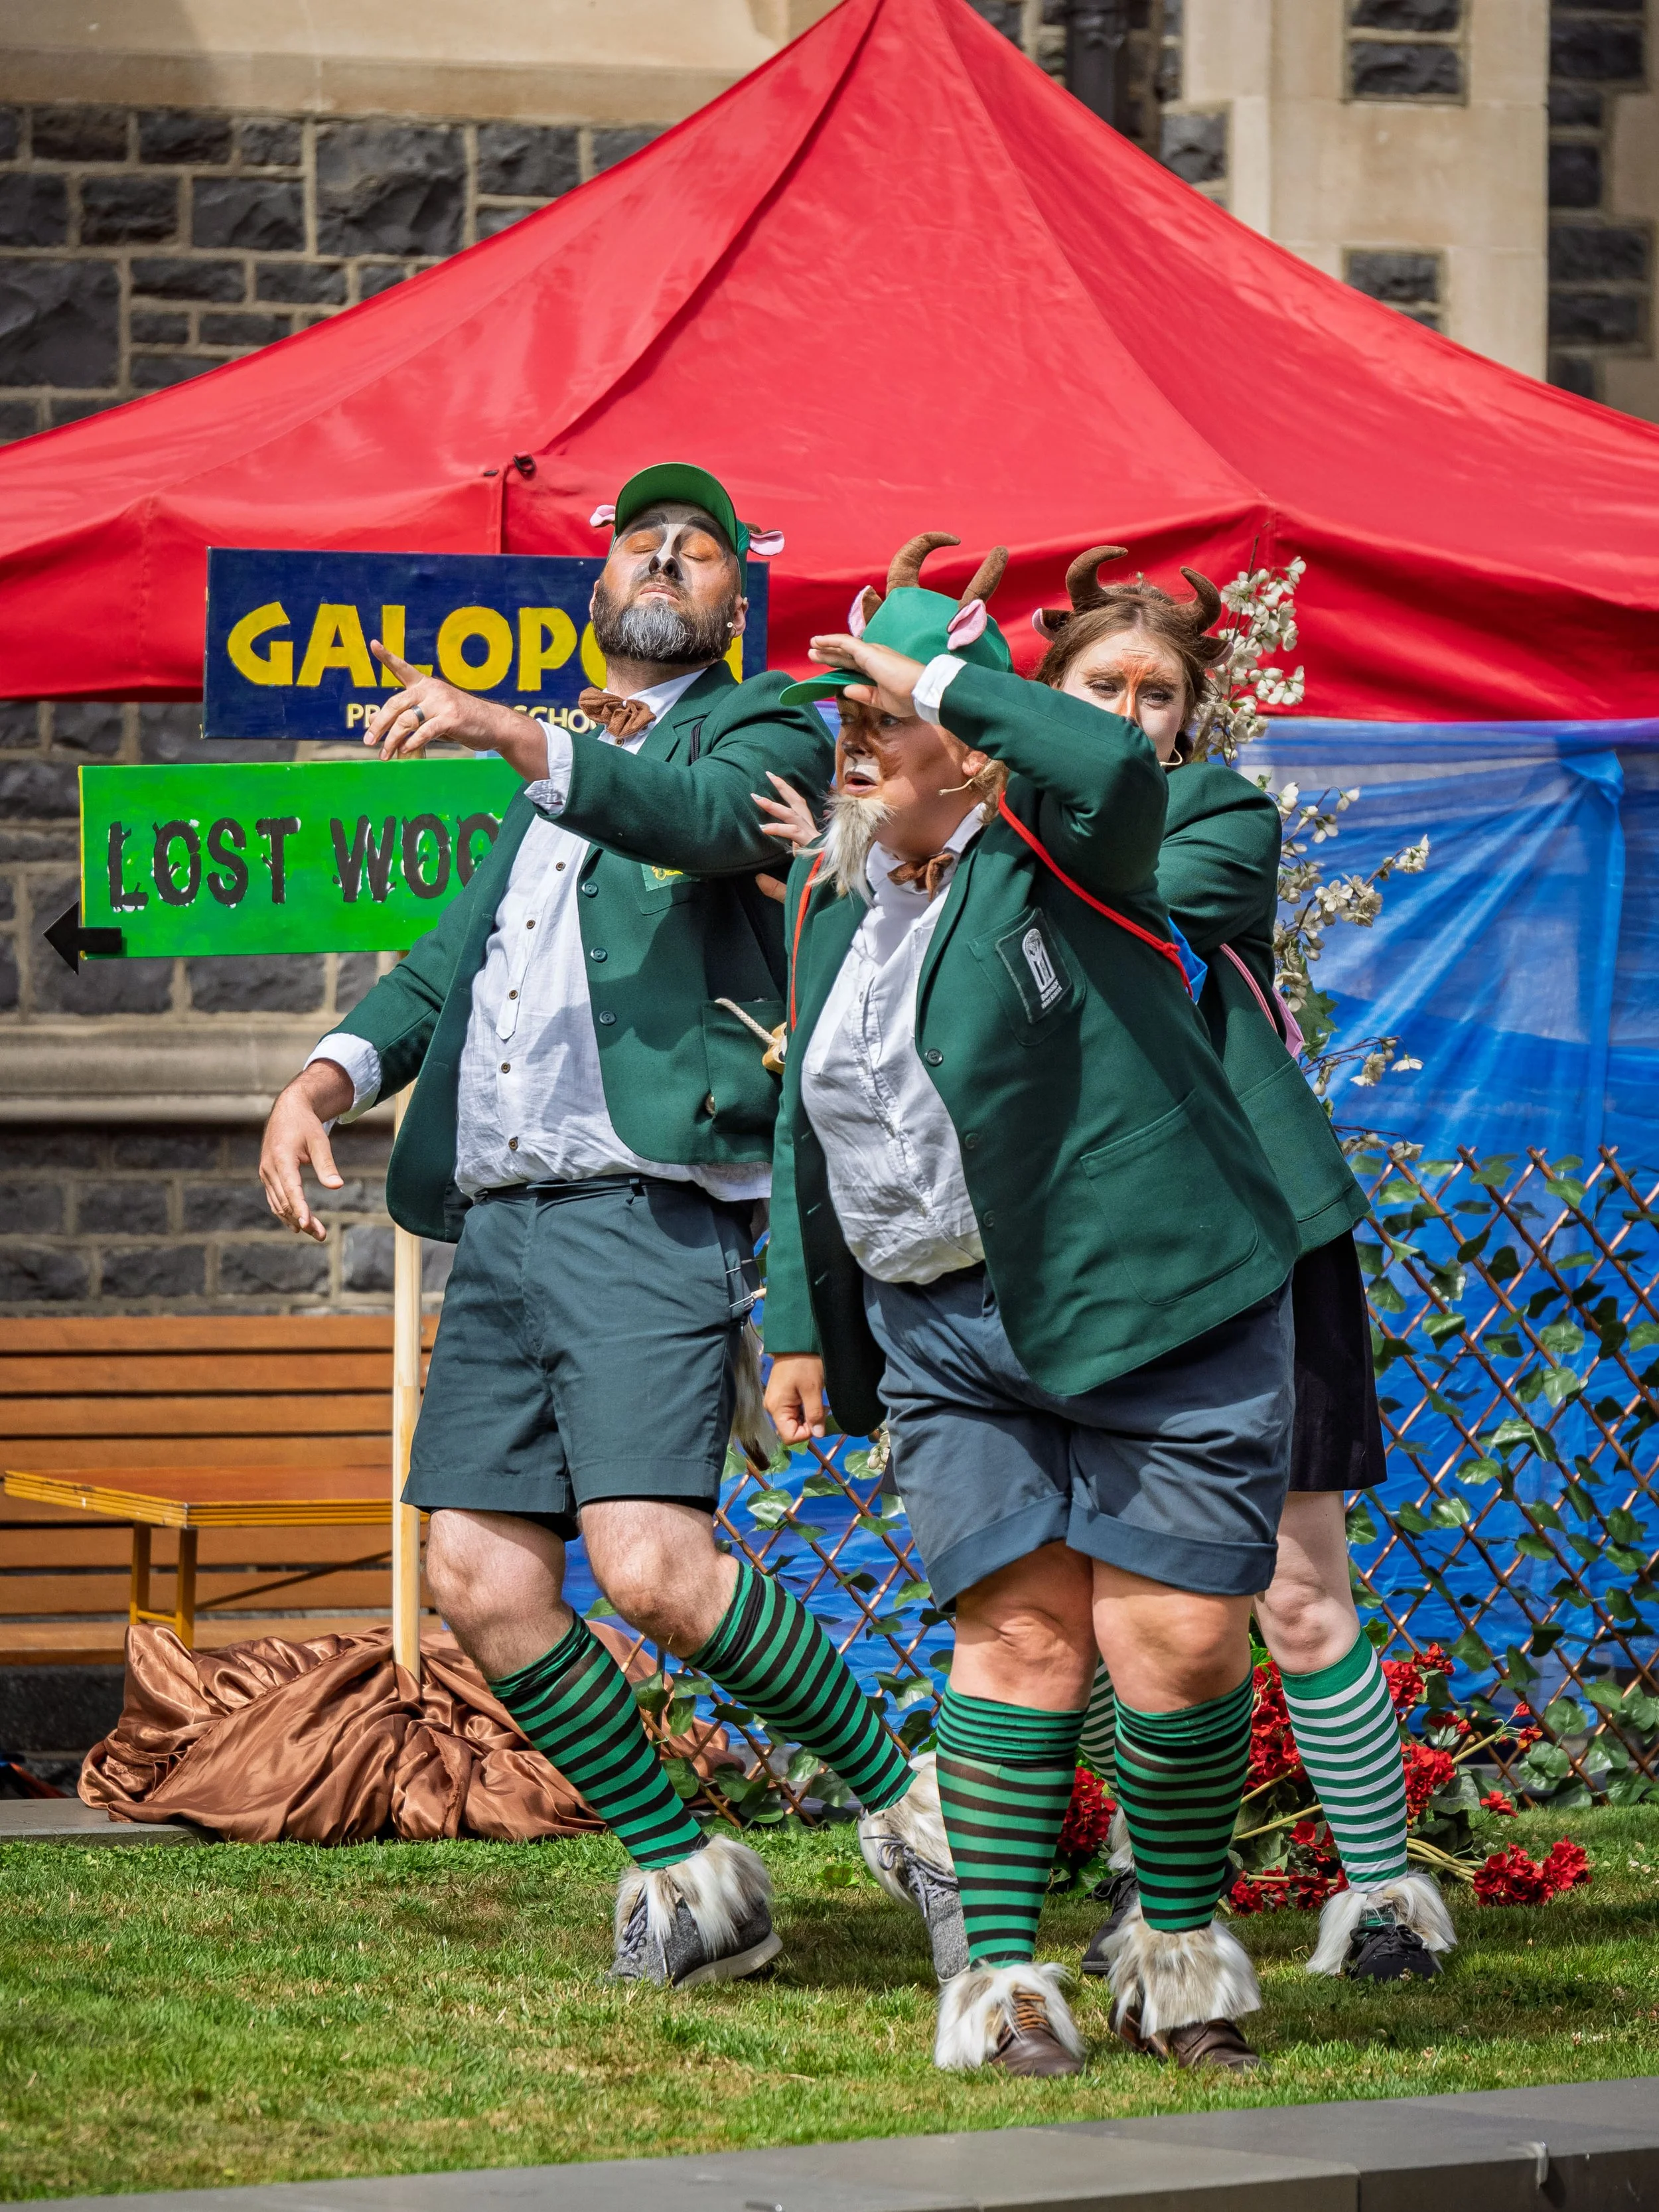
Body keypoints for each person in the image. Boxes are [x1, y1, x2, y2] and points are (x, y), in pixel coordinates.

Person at [257, 464, 958, 1992]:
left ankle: (909, 1802)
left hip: (649, 1205)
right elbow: (448, 961)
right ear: (596, 586)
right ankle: (688, 1871)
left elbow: (708, 823)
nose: (663, 556)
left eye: (697, 548)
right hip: (502, 1218)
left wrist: (522, 732)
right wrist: (322, 1078)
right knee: (480, 1581)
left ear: (731, 595)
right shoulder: (554, 780)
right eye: (641, 540)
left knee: (649, 1569)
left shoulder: (756, 723)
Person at [761, 532, 1303, 2077]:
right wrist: (800, 1317)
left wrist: (943, 674)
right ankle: (1002, 1985)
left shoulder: (1076, 844)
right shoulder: (837, 891)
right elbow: (813, 1115)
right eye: (843, 719)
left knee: (1180, 1642)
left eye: (883, 721)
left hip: (1155, 1302)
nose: (853, 743)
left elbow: (1107, 765)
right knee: (1014, 1636)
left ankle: (1176, 1958)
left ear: (977, 744)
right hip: (944, 1324)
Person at [1029, 547, 1455, 1986]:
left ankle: (1388, 1897)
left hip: (1253, 1236)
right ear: (1048, 691)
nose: (1130, 712)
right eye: (1099, 685)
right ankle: (1154, 1889)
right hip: (1082, 1248)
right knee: (1097, 1594)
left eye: (1157, 694)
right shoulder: (981, 838)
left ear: (1188, 722)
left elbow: (1142, 894)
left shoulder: (1212, 816)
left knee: (1290, 1578)